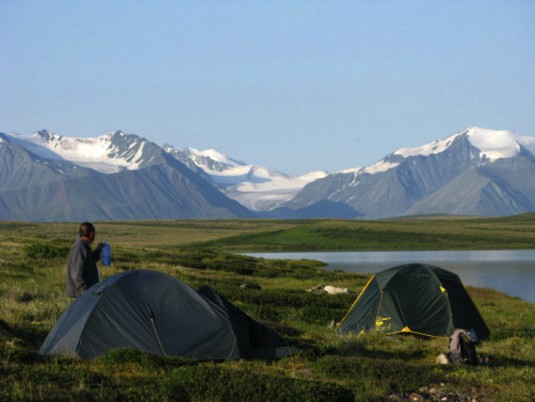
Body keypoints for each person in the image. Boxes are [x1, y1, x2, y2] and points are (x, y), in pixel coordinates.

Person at [65, 222, 105, 298]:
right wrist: (85, 293)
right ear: (91, 234)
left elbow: (90, 260)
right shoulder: (79, 248)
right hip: (79, 294)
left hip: (83, 292)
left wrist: (98, 250)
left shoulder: (83, 246)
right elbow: (76, 274)